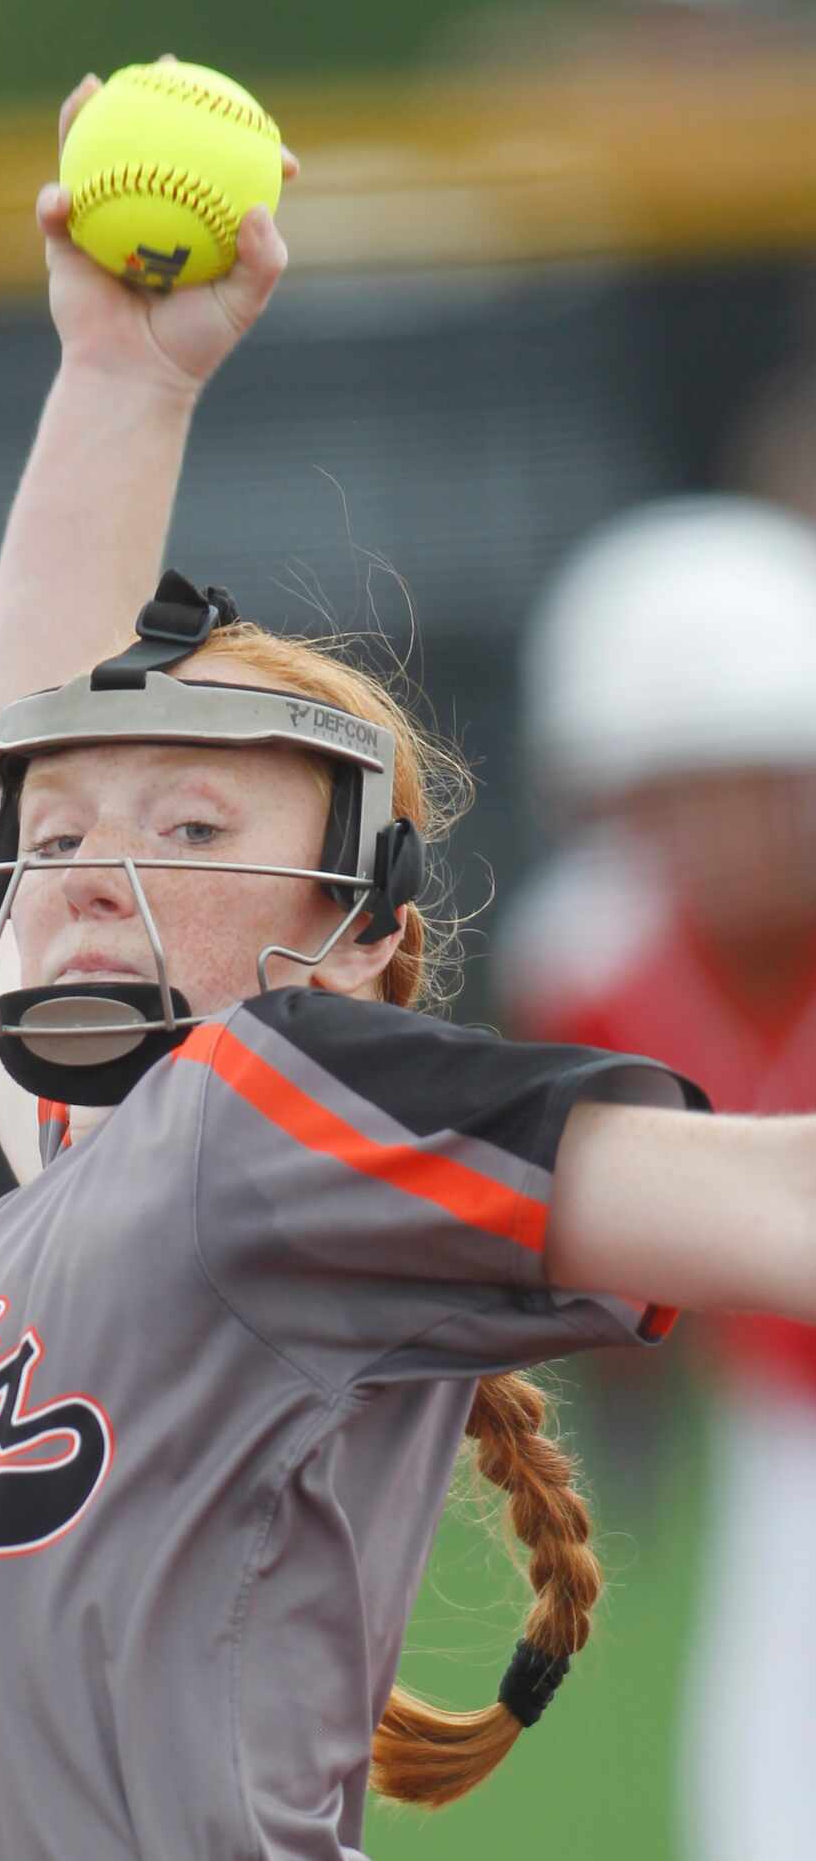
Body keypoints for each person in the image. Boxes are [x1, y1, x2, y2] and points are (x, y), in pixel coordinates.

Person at [0, 75, 816, 1861]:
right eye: (58, 839)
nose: (94, 868)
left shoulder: (278, 1111)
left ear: (359, 950)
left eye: (190, 830)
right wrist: (120, 382)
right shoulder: (93, 1184)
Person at [495, 493, 816, 1861]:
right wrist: (625, 1400)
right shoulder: (587, 960)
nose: (694, 827)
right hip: (786, 1436)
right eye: (651, 790)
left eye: (734, 776)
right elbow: (606, 1217)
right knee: (766, 1809)